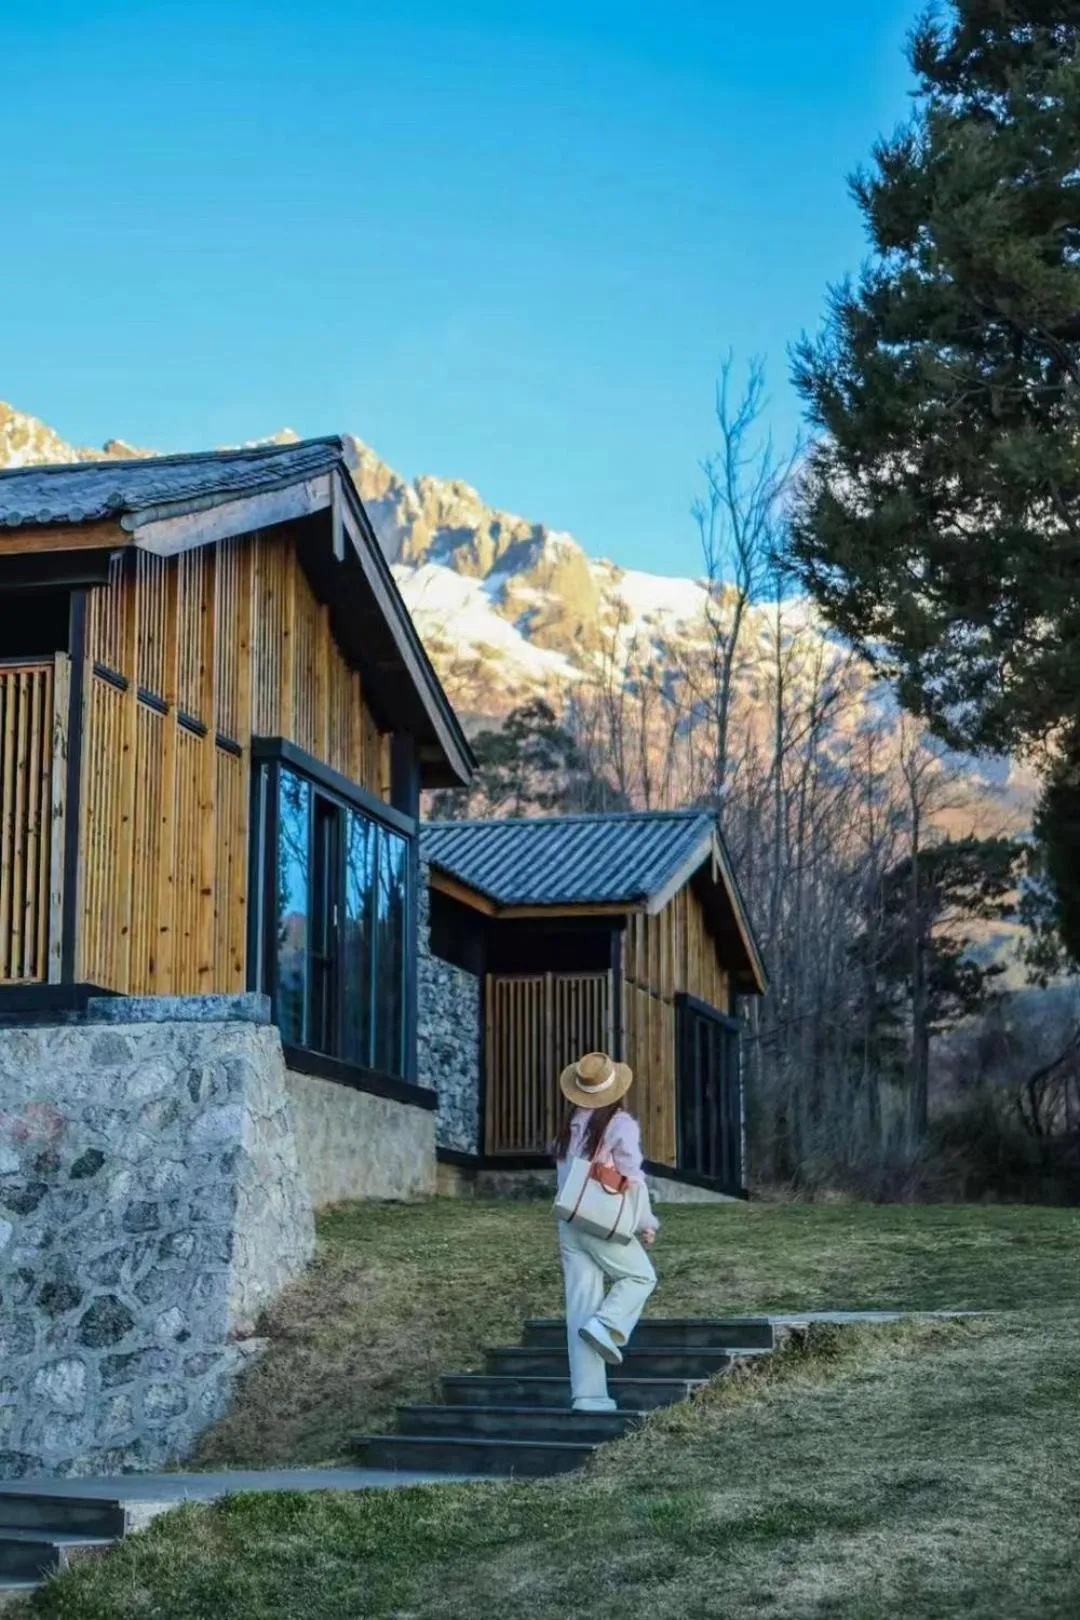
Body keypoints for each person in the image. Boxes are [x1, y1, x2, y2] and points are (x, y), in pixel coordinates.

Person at [553, 1051, 658, 1412]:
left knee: (580, 1306)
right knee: (642, 1277)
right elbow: (631, 1178)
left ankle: (588, 1395)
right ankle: (609, 1325)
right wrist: (645, 1221)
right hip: (601, 1221)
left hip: (569, 1222)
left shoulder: (569, 1124)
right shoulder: (620, 1124)